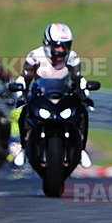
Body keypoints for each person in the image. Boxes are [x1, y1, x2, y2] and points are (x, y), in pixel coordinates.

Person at [20, 23, 92, 168]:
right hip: (40, 95)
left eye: (64, 46)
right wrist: (21, 93)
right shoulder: (34, 56)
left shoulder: (73, 58)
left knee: (83, 112)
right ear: (47, 43)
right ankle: (23, 147)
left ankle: (82, 149)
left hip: (63, 96)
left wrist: (83, 94)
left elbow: (77, 78)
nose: (60, 50)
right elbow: (24, 78)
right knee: (24, 113)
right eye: (57, 46)